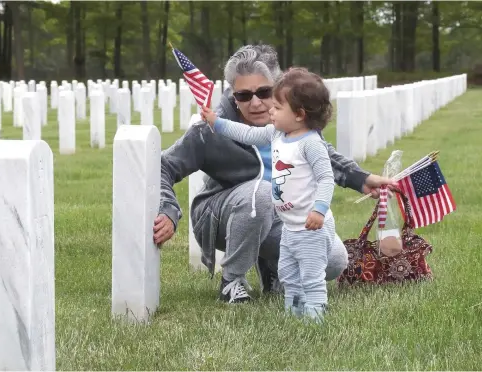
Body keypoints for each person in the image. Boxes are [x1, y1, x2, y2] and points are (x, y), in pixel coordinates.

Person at [153, 44, 393, 304]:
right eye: (244, 95)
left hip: (281, 213)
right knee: (264, 193)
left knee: (333, 261)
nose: (255, 103)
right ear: (233, 95)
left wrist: (362, 179)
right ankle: (232, 280)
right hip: (223, 218)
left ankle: (274, 269)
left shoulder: (292, 120)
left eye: (264, 92)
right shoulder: (211, 131)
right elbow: (163, 165)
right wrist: (168, 209)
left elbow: (321, 156)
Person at [200, 67, 337, 323]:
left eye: (277, 107)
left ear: (299, 114)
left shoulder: (312, 143)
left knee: (310, 274)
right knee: (288, 272)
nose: (269, 110)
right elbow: (246, 133)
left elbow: (326, 178)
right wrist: (216, 122)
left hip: (310, 227)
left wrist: (319, 209)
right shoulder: (275, 133)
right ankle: (294, 313)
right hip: (289, 226)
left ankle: (316, 317)